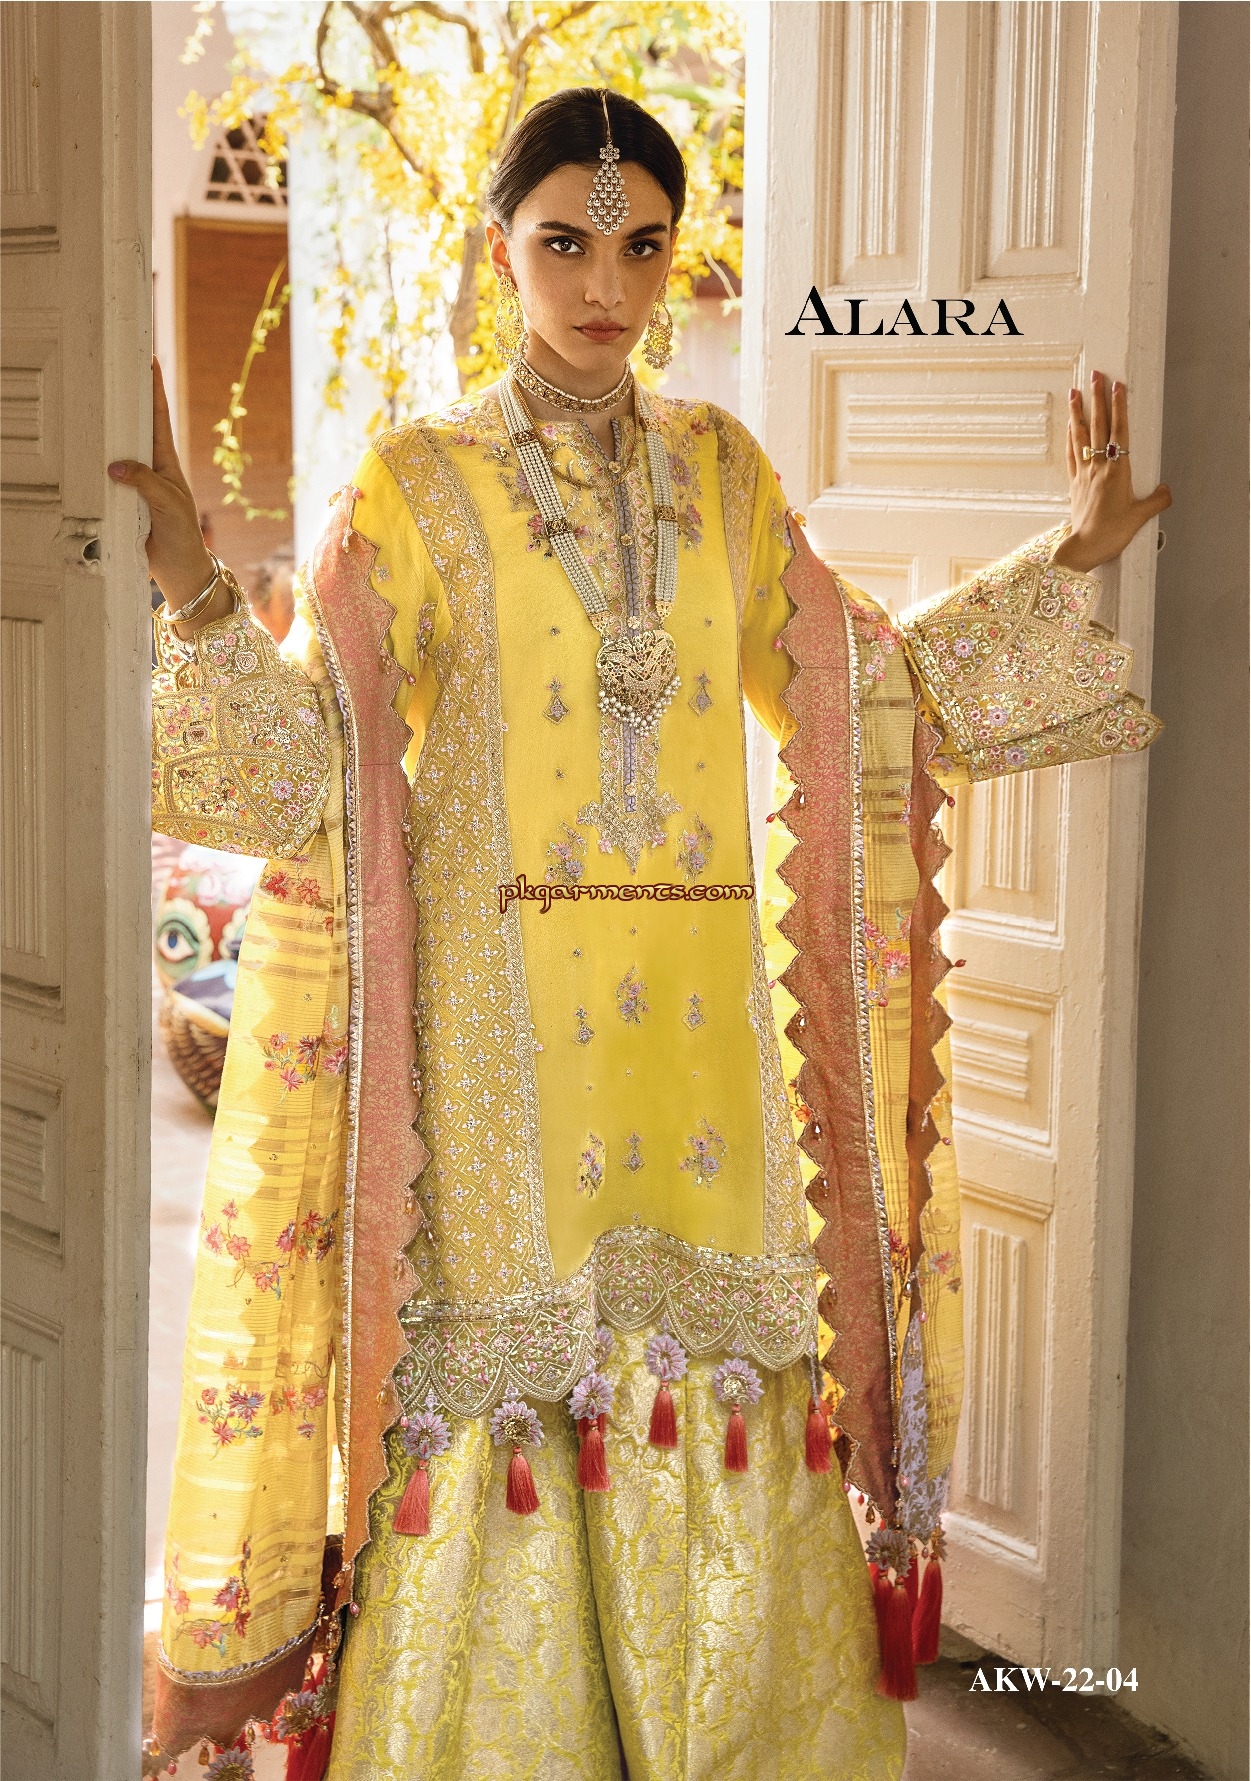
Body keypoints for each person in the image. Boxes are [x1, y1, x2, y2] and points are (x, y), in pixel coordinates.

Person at [119, 87, 1169, 1781]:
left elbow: (862, 692)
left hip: (695, 1045)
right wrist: (188, 586)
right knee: (509, 1362)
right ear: (501, 250)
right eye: (566, 242)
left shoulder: (723, 475)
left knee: (713, 1361)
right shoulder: (417, 485)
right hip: (498, 1040)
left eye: (642, 247)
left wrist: (1071, 557)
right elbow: (306, 760)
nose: (605, 285)